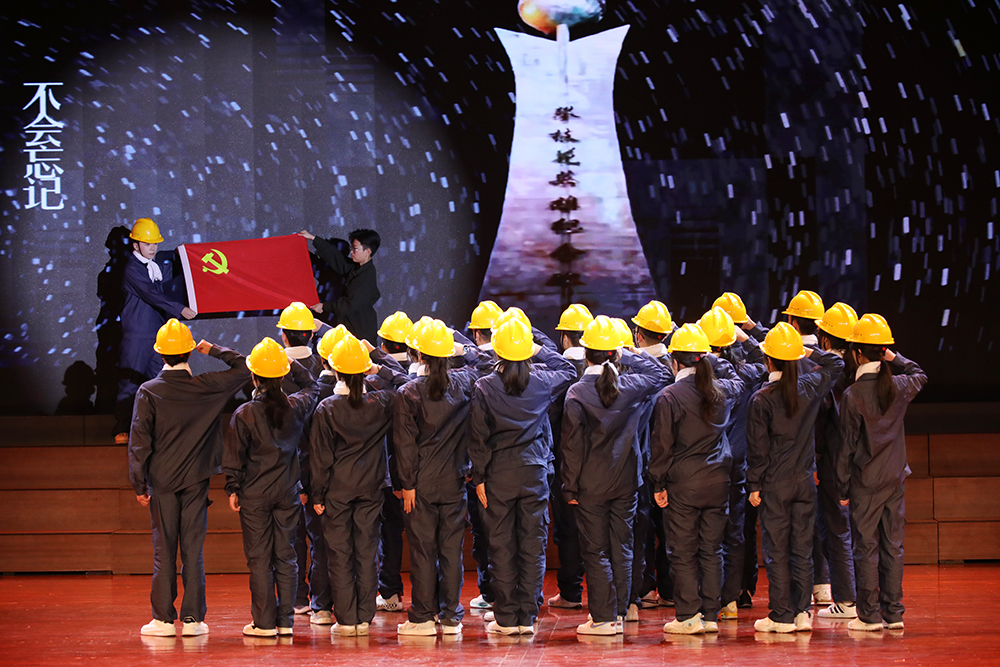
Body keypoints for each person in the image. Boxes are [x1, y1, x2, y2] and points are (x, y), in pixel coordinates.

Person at [127, 318, 249, 637]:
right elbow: (245, 367)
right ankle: (194, 620)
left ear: (160, 354)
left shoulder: (149, 391)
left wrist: (138, 483)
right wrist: (214, 349)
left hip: (162, 482)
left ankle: (163, 620)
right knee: (192, 552)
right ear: (190, 352)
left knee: (164, 552)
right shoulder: (205, 386)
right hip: (196, 480)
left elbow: (139, 442)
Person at [561, 316, 670, 636]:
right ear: (614, 353)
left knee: (596, 551)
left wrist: (569, 486)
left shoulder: (577, 392)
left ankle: (604, 618)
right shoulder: (629, 387)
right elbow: (661, 373)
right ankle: (620, 613)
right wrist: (628, 353)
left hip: (590, 485)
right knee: (622, 547)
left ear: (586, 353)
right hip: (627, 482)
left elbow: (572, 446)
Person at [468, 318, 577, 635]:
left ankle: (506, 618)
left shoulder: (484, 386)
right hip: (534, 473)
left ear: (496, 351)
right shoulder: (541, 381)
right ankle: (527, 617)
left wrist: (479, 478)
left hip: (498, 475)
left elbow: (478, 437)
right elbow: (568, 369)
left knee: (501, 546)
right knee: (532, 545)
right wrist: (535, 344)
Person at [746, 323, 844, 633]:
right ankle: (801, 612)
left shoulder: (761, 399)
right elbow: (836, 363)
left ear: (768, 361)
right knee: (801, 549)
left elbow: (758, 450)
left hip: (774, 485)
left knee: (777, 550)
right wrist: (806, 352)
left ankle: (781, 615)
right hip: (803, 483)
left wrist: (754, 485)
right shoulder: (809, 386)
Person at [649, 323, 745, 634]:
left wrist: (658, 484)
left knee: (682, 551)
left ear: (674, 360)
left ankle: (688, 616)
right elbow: (739, 379)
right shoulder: (720, 391)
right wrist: (709, 357)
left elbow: (662, 446)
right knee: (712, 550)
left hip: (683, 485)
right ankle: (711, 616)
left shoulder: (669, 396)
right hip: (718, 482)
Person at [310, 333, 407, 636]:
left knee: (340, 555)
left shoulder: (326, 408)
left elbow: (320, 458)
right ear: (364, 371)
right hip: (371, 489)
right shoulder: (380, 401)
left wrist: (317, 494)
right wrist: (378, 362)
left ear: (335, 370)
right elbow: (406, 383)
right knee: (366, 553)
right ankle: (363, 618)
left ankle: (346, 620)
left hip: (336, 491)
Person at [393, 320, 486, 636]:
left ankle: (422, 616)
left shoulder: (408, 392)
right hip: (454, 481)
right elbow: (487, 360)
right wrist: (462, 346)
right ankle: (450, 616)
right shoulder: (464, 382)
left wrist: (407, 484)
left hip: (420, 484)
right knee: (450, 551)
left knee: (423, 551)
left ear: (418, 355)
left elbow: (405, 445)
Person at [223, 337, 320, 638]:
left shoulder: (244, 413)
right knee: (286, 556)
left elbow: (234, 457)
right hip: (287, 492)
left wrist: (233, 488)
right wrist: (294, 365)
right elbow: (313, 386)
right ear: (281, 376)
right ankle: (285, 622)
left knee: (260, 559)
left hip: (254, 495)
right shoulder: (295, 406)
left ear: (254, 377)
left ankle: (264, 624)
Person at [836, 314, 927, 631]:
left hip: (866, 481)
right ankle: (894, 613)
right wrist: (893, 356)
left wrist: (842, 487)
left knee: (866, 548)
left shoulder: (853, 394)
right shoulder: (899, 385)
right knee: (892, 546)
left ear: (857, 352)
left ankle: (869, 615)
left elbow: (846, 447)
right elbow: (919, 373)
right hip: (894, 478)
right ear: (883, 351)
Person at [697, 306, 767, 621]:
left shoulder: (695, 377)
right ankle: (731, 599)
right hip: (737, 461)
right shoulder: (745, 373)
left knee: (704, 534)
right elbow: (762, 358)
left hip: (704, 462)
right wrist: (746, 337)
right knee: (735, 532)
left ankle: (707, 598)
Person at [116, 218, 195, 444]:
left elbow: (175, 270)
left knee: (160, 381)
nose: (152, 248)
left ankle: (162, 428)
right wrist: (179, 309)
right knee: (130, 381)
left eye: (155, 244)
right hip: (137, 335)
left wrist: (189, 256)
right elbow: (152, 294)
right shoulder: (132, 268)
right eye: (147, 244)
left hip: (157, 335)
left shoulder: (155, 265)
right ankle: (123, 428)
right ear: (136, 245)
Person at [275, 302, 331, 620]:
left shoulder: (273, 367)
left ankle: (295, 598)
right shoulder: (324, 364)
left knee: (290, 538)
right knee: (320, 538)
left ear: (283, 336)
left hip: (284, 469)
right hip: (320, 467)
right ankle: (320, 602)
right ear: (311, 334)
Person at [813, 302, 861, 619]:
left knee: (837, 530)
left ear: (826, 339)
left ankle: (846, 600)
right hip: (864, 463)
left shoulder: (830, 375)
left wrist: (816, 461)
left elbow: (821, 424)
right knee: (861, 532)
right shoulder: (866, 369)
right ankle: (864, 598)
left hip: (834, 464)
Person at [629, 300, 676, 616]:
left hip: (644, 460)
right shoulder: (679, 364)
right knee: (671, 528)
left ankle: (645, 588)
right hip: (674, 461)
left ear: (638, 334)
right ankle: (670, 590)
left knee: (642, 528)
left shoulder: (636, 368)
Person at [547, 303, 594, 610]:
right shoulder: (607, 372)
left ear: (564, 338)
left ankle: (571, 592)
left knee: (567, 530)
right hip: (601, 463)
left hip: (563, 462)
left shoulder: (555, 373)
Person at [373, 311, 414, 613]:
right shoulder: (421, 377)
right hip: (417, 471)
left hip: (383, 472)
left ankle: (390, 594)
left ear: (383, 345)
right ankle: (435, 604)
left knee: (388, 532)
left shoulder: (373, 380)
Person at [297, 228, 381, 343]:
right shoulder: (357, 268)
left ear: (367, 252)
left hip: (359, 334)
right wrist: (313, 238)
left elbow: (349, 305)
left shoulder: (366, 277)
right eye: (352, 248)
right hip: (350, 328)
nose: (352, 252)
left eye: (355, 249)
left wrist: (324, 306)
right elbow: (337, 258)